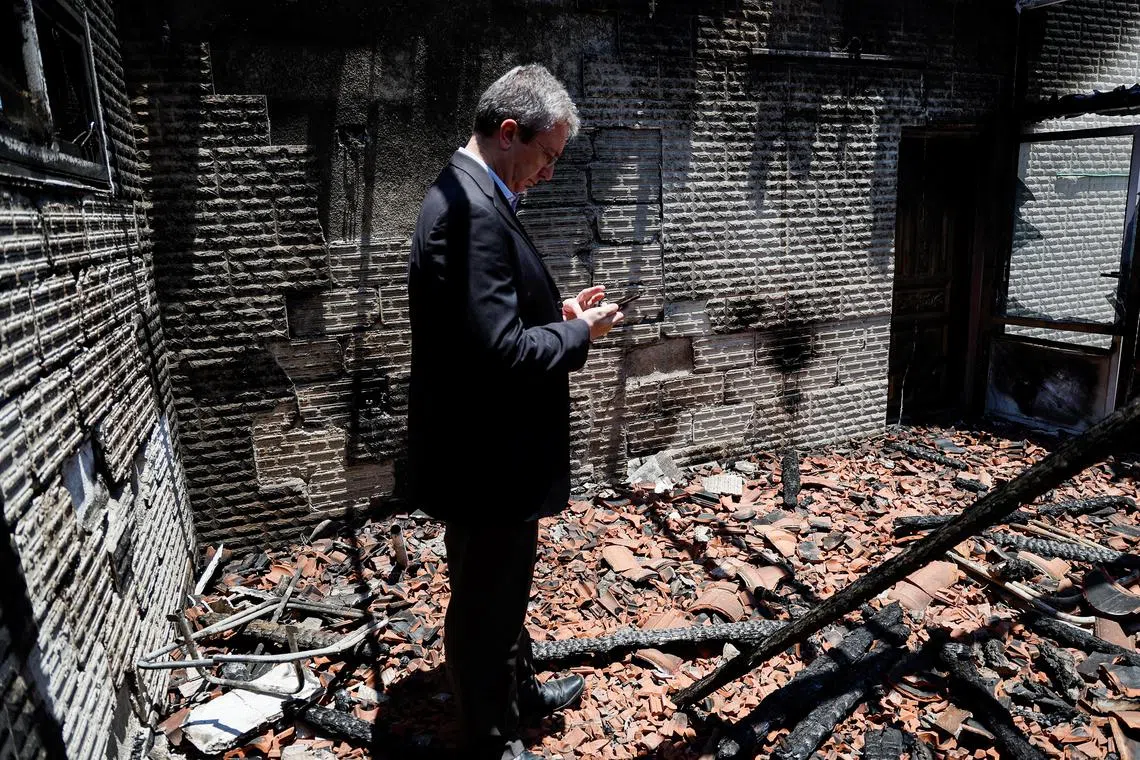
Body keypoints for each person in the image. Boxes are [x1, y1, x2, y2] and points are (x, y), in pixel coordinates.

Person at [406, 64, 623, 760]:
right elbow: (499, 354)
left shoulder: (474, 194)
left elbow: (483, 323)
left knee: (502, 591)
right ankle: (490, 739)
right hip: (486, 457)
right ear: (509, 133)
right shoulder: (469, 214)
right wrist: (579, 334)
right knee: (483, 606)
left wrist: (554, 313)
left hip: (490, 449)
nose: (550, 174)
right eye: (547, 156)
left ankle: (517, 693)